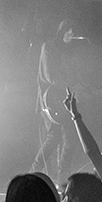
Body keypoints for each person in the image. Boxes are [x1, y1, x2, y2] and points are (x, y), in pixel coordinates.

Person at [34, 20, 82, 182]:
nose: (71, 36)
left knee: (70, 140)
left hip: (66, 100)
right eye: (68, 32)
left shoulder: (70, 52)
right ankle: (33, 171)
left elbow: (74, 75)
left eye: (73, 33)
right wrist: (68, 85)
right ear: (61, 31)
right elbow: (49, 75)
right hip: (50, 100)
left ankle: (62, 180)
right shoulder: (48, 47)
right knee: (53, 138)